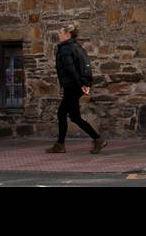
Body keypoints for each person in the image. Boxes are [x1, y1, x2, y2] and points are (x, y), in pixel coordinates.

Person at [46, 22, 107, 154]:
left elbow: (71, 69)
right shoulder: (76, 46)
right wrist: (84, 85)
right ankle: (97, 139)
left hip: (73, 86)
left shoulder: (66, 48)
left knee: (62, 113)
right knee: (74, 117)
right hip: (76, 85)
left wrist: (81, 85)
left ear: (67, 34)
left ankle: (61, 145)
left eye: (61, 33)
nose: (58, 35)